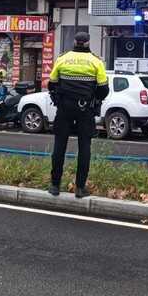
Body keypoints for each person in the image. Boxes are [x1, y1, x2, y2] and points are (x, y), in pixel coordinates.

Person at [47, 31, 108, 198]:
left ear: (74, 42)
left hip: (64, 109)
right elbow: (104, 90)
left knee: (59, 146)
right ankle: (80, 188)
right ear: (88, 43)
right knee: (84, 148)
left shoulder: (62, 58)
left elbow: (51, 84)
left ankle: (54, 185)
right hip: (85, 110)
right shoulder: (96, 61)